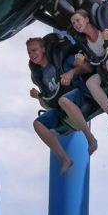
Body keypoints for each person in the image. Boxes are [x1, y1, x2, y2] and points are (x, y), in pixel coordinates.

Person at [27, 35, 98, 175]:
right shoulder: (39, 75)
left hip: (79, 95)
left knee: (63, 101)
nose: (32, 54)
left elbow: (88, 68)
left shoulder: (61, 60)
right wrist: (38, 97)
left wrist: (71, 72)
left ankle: (91, 139)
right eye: (29, 52)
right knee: (37, 124)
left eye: (34, 50)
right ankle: (65, 159)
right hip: (62, 107)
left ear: (43, 49)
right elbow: (49, 101)